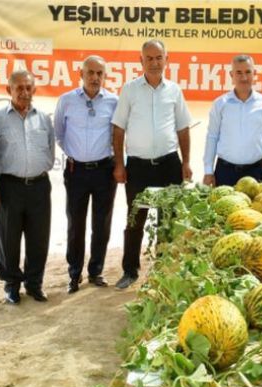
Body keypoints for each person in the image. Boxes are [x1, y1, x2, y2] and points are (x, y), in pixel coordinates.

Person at [112, 39, 192, 290]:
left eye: (159, 58)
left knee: (168, 220)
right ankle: (130, 271)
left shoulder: (174, 91)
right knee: (135, 219)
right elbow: (118, 129)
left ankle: (163, 270)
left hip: (169, 163)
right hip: (138, 166)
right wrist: (119, 164)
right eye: (150, 58)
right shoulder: (129, 90)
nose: (155, 63)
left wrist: (186, 161)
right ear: (141, 61)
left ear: (166, 60)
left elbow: (183, 128)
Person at [53, 55, 118, 293]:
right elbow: (59, 133)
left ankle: (96, 271)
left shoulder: (114, 101)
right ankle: (74, 274)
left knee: (102, 224)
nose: (95, 78)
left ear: (105, 76)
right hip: (76, 171)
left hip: (105, 171)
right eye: (90, 73)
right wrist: (75, 154)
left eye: (100, 73)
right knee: (75, 224)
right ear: (81, 75)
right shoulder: (67, 101)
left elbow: (118, 135)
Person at [0, 69, 56, 303]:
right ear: (9, 90)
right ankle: (11, 285)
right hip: (10, 186)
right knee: (8, 237)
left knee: (39, 237)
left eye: (29, 88)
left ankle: (34, 283)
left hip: (39, 185)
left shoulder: (44, 118)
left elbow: (50, 149)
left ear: (34, 90)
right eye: (19, 88)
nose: (25, 92)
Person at [202, 54, 262, 187]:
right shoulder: (220, 104)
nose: (244, 77)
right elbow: (212, 136)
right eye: (239, 72)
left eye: (248, 72)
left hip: (255, 172)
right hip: (225, 172)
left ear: (254, 73)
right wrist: (208, 171)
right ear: (231, 75)